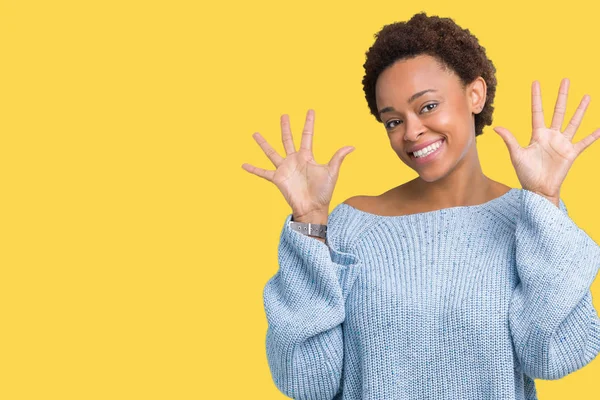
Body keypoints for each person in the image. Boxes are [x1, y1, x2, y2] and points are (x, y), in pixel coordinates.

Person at [242, 12, 600, 400]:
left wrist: (545, 201)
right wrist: (309, 222)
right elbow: (307, 381)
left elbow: (555, 356)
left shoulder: (526, 221)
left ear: (474, 94)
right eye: (393, 121)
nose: (411, 132)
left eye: (427, 107)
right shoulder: (350, 225)